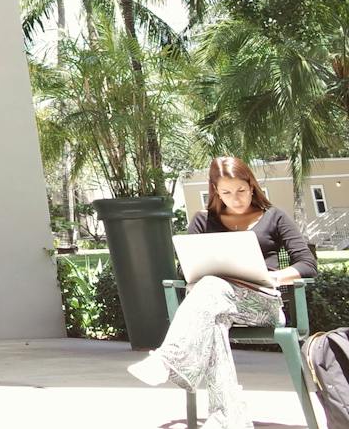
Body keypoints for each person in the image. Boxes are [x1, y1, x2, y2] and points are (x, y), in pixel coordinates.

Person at [128, 157, 316, 429]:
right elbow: (185, 270)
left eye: (241, 190)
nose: (235, 198)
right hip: (214, 306)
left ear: (252, 186)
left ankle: (169, 358)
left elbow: (307, 264)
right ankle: (228, 417)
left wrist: (273, 277)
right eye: (226, 192)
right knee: (214, 315)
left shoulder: (274, 217)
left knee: (211, 289)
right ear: (215, 191)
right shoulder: (202, 221)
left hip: (261, 304)